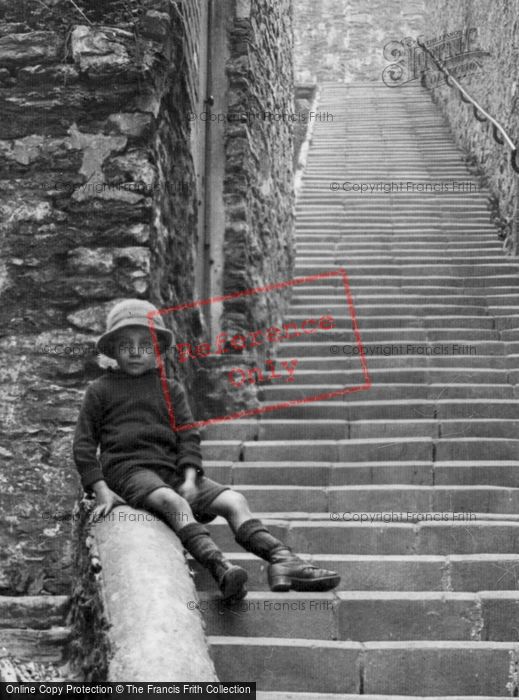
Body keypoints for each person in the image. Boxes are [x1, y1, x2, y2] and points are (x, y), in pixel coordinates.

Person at [73, 299, 340, 602]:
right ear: (113, 350)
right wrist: (100, 489)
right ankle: (220, 566)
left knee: (234, 500)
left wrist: (189, 477)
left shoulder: (170, 389)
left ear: (158, 348)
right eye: (125, 344)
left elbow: (188, 436)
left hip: (172, 470)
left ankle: (283, 561)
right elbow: (83, 444)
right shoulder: (100, 390)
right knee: (172, 502)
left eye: (145, 344)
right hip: (129, 471)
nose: (135, 351)